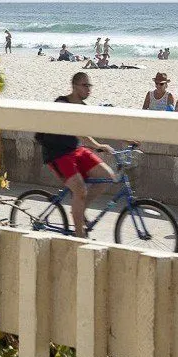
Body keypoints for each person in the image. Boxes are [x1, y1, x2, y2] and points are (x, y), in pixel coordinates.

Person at [34, 71, 117, 238]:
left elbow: (83, 132)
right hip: (57, 153)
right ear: (74, 86)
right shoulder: (61, 103)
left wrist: (99, 146)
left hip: (75, 150)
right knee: (80, 190)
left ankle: (79, 209)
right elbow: (74, 128)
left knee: (108, 176)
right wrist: (95, 145)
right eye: (85, 85)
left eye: (89, 85)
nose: (88, 89)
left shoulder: (83, 108)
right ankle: (80, 236)